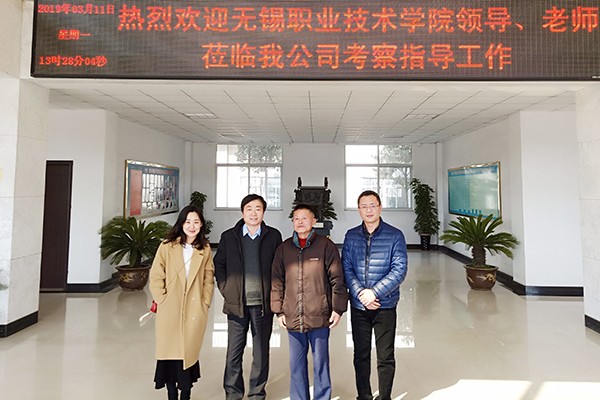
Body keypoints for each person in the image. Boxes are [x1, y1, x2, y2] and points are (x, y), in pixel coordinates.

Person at [271, 204, 348, 400]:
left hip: (319, 316)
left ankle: (322, 397)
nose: (300, 222)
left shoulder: (326, 246)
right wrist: (279, 311)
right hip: (293, 315)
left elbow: (337, 279)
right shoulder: (284, 248)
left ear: (314, 221)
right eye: (296, 218)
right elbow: (277, 281)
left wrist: (337, 308)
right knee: (296, 365)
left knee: (321, 363)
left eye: (304, 218)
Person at [214, 194, 283, 400]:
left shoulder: (273, 236)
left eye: (258, 209)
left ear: (264, 212)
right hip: (237, 304)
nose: (254, 213)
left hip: (263, 306)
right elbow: (219, 265)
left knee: (261, 353)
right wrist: (226, 289)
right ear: (243, 212)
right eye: (249, 209)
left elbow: (279, 268)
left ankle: (256, 393)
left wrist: (276, 297)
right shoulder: (229, 236)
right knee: (234, 353)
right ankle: (233, 393)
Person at [342, 190, 408, 400]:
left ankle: (385, 396)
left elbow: (399, 270)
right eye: (364, 206)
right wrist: (361, 294)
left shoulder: (395, 235)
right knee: (361, 355)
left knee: (385, 356)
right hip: (359, 306)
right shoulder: (351, 235)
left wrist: (374, 293)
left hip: (385, 305)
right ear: (358, 210)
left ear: (380, 207)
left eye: (372, 205)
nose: (368, 210)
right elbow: (346, 268)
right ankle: (364, 396)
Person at [149, 205, 215, 400]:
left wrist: (205, 302)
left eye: (196, 222)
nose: (191, 226)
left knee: (188, 351)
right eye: (188, 222)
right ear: (181, 223)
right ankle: (171, 394)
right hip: (170, 307)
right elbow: (156, 274)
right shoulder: (167, 246)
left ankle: (186, 393)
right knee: (169, 353)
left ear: (201, 225)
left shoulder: (204, 248)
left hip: (194, 308)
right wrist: (162, 298)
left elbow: (208, 277)